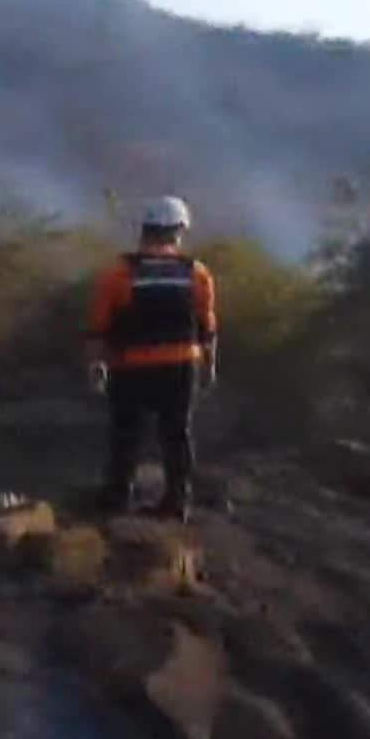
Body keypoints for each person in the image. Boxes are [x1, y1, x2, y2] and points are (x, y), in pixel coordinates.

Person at [85, 195, 219, 522]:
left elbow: (99, 326)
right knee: (177, 434)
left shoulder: (117, 273)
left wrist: (95, 365)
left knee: (126, 434)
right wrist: (210, 365)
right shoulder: (197, 273)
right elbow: (207, 325)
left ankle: (116, 499)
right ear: (178, 232)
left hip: (130, 366)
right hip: (181, 365)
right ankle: (176, 503)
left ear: (145, 231)